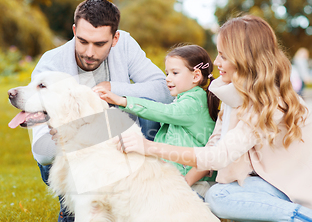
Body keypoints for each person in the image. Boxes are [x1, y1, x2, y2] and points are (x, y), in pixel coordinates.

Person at [114, 15, 312, 222]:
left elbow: (220, 156)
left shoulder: (268, 101)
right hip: (274, 178)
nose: (216, 61)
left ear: (245, 58)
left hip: (302, 184)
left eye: (223, 55)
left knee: (219, 197)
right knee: (222, 188)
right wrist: (182, 185)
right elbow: (214, 144)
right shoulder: (235, 90)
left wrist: (150, 147)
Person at [30, 0, 173, 222]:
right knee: (53, 153)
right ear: (74, 31)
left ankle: (142, 201)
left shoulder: (125, 44)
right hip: (84, 154)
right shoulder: (51, 65)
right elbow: (42, 152)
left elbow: (164, 91)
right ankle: (72, 207)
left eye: (99, 44)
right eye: (82, 41)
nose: (89, 52)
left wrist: (115, 89)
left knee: (148, 107)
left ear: (115, 39)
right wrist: (70, 132)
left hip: (122, 144)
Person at [94, 44, 219, 186]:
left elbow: (164, 112)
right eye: (167, 73)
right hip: (179, 174)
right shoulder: (185, 99)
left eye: (175, 73)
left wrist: (123, 101)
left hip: (196, 181)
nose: (168, 78)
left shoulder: (195, 101)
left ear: (196, 76)